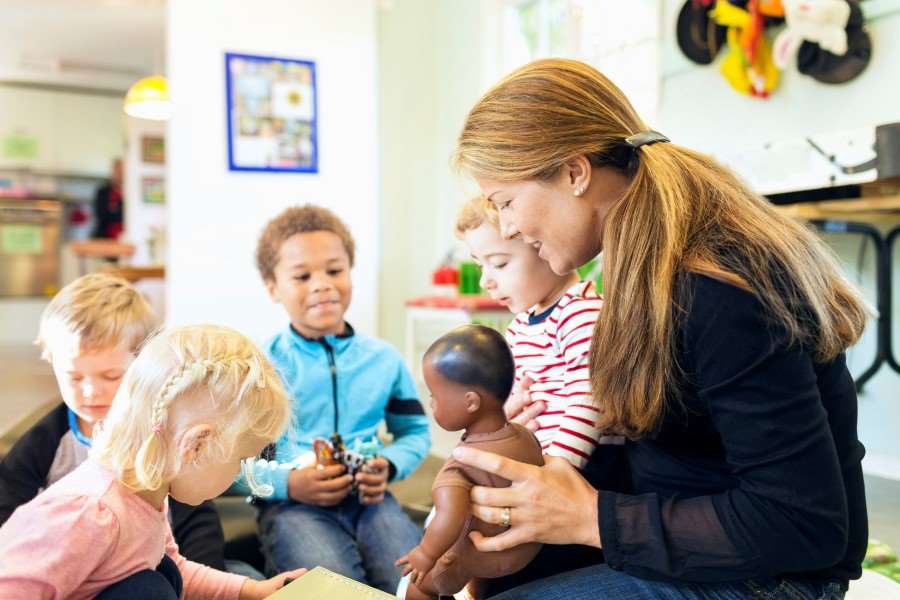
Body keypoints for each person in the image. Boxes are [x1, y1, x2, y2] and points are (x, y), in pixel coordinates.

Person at [449, 58, 868, 599]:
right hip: (699, 544)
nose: (508, 228)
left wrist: (586, 517)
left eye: (506, 203)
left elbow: (802, 524)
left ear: (575, 173)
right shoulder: (644, 261)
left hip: (772, 579)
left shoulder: (716, 284)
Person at [0, 324, 307, 599]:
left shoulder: (147, 497)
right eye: (241, 459)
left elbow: (179, 571)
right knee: (149, 589)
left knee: (164, 574)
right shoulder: (91, 512)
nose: (240, 471)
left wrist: (253, 590)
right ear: (196, 446)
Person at [253, 204, 428, 592]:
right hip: (292, 508)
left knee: (417, 583)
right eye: (302, 276)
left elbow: (414, 432)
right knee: (335, 586)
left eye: (334, 270)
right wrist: (288, 484)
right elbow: (243, 460)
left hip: (372, 504)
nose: (321, 284)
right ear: (273, 288)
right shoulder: (261, 367)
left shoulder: (383, 359)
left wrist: (389, 464)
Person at [0, 273, 229, 569]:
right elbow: (7, 511)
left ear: (144, 366)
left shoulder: (161, 436)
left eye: (111, 376)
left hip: (159, 569)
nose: (91, 391)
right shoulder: (45, 443)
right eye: (74, 376)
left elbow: (197, 518)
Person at [456, 195, 621, 469]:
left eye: (499, 263)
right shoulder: (521, 326)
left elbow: (589, 400)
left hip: (585, 464)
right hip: (540, 460)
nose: (486, 281)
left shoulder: (579, 313)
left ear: (544, 249)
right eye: (479, 265)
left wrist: (558, 470)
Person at [397, 325, 544, 600]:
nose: (431, 403)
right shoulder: (526, 436)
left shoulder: (459, 466)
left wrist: (425, 553)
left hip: (475, 557)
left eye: (434, 396)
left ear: (470, 402)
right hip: (526, 550)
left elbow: (448, 517)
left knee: (419, 585)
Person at [93, 158, 124, 239]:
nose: (120, 174)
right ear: (112, 172)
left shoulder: (131, 194)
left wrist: (114, 210)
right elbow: (101, 216)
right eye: (117, 171)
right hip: (105, 237)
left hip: (125, 237)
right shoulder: (102, 192)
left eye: (122, 171)